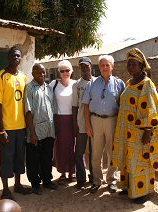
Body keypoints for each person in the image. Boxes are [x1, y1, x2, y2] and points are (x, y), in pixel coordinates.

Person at [111, 48, 158, 204]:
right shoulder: (130, 83)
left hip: (140, 132)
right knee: (129, 160)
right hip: (126, 131)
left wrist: (148, 131)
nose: (130, 67)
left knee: (139, 162)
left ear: (141, 66)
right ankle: (128, 186)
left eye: (133, 64)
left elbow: (151, 108)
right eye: (129, 64)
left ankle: (141, 193)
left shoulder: (146, 84)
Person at [82, 55, 125, 194]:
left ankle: (112, 181)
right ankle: (96, 180)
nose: (105, 67)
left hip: (113, 120)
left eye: (107, 65)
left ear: (112, 67)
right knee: (96, 153)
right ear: (98, 67)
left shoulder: (120, 84)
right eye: (102, 65)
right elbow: (86, 106)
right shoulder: (92, 84)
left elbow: (124, 105)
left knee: (112, 152)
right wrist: (88, 125)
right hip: (96, 120)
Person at [0, 46, 30, 200]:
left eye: (18, 56)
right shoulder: (0, 77)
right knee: (6, 159)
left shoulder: (23, 77)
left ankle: (18, 185)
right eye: (13, 55)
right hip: (6, 127)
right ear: (8, 58)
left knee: (19, 158)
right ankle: (5, 189)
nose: (16, 58)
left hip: (21, 127)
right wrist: (2, 129)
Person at [24, 63, 58, 195]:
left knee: (47, 156)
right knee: (34, 158)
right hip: (36, 130)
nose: (42, 75)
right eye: (39, 73)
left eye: (44, 72)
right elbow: (28, 112)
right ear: (33, 73)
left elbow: (53, 108)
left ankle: (47, 180)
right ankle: (35, 184)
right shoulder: (29, 88)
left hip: (49, 129)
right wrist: (32, 133)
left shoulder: (49, 88)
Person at [49, 60, 76, 184]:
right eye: (62, 71)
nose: (65, 73)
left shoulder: (76, 84)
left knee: (73, 146)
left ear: (71, 71)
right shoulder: (53, 85)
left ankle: (73, 172)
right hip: (59, 119)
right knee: (60, 146)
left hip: (73, 119)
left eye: (67, 70)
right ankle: (63, 173)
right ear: (59, 72)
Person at [72, 57, 95, 189]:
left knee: (94, 152)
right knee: (79, 152)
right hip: (81, 123)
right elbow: (74, 106)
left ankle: (94, 177)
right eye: (82, 67)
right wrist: (75, 124)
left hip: (95, 123)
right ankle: (81, 179)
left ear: (91, 66)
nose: (84, 69)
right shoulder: (77, 85)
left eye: (86, 66)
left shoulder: (98, 82)